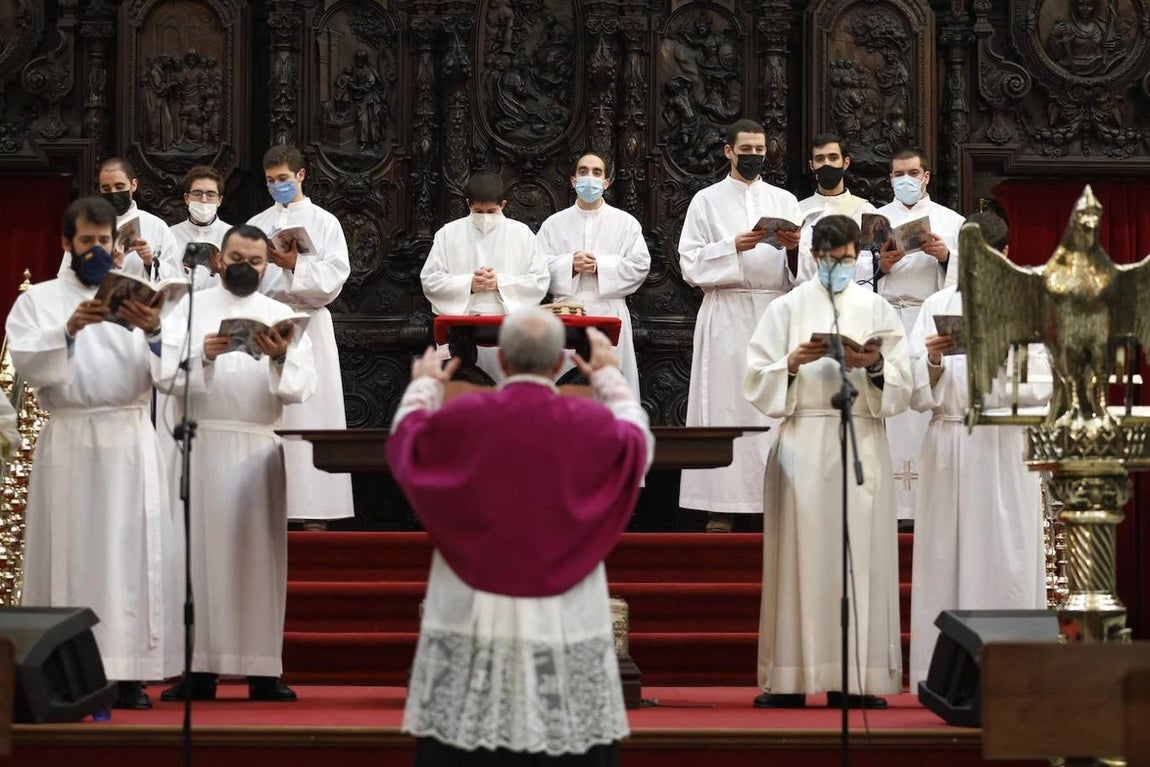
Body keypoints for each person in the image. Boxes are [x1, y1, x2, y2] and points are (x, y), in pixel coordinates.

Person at [388, 309, 652, 766]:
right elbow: (636, 443)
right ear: (559, 363)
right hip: (563, 599)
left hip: (475, 595)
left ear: (503, 359)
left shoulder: (464, 414)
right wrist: (610, 378)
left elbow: (406, 442)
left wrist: (424, 384)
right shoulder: (586, 419)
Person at [5, 197, 182, 709]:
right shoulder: (39, 300)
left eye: (105, 242)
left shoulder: (140, 297)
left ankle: (128, 674)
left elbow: (174, 373)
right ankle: (65, 670)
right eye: (87, 243)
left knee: (129, 555)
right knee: (72, 551)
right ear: (67, 244)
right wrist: (69, 330)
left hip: (128, 437)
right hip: (71, 440)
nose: (98, 251)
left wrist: (153, 331)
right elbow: (28, 362)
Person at [744, 215, 911, 709]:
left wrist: (874, 365)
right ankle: (792, 678)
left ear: (857, 256)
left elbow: (903, 379)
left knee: (860, 555)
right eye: (828, 259)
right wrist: (790, 364)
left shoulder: (876, 306)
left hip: (859, 434)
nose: (837, 267)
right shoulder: (787, 307)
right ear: (814, 255)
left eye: (846, 260)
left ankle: (854, 680)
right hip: (804, 435)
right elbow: (755, 377)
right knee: (799, 555)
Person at [158, 224, 317, 703]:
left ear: (267, 266)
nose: (246, 267)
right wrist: (199, 357)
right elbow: (162, 374)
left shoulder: (280, 313)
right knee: (196, 557)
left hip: (257, 447)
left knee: (258, 559)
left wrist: (279, 358)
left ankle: (262, 670)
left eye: (256, 260)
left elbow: (300, 386)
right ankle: (199, 669)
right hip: (202, 443)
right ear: (219, 259)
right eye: (237, 258)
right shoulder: (190, 308)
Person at [907, 212, 1051, 688]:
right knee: (944, 554)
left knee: (1005, 553)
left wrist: (997, 360)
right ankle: (943, 672)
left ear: (1006, 256)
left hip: (1004, 443)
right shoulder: (935, 305)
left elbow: (1044, 386)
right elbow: (914, 388)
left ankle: (1013, 668)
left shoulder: (1024, 303)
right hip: (950, 441)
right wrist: (931, 358)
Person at [678, 118, 802, 533]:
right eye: (745, 149)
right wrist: (734, 244)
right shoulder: (706, 201)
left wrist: (795, 250)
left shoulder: (784, 199)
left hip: (773, 310)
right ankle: (721, 504)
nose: (753, 156)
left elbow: (804, 270)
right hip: (726, 311)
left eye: (760, 149)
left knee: (773, 407)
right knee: (726, 404)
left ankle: (775, 502)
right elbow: (689, 262)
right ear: (728, 151)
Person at [248, 144, 353, 528]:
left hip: (311, 322)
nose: (278, 186)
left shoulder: (325, 222)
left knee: (314, 414)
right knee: (273, 414)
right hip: (270, 317)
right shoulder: (258, 223)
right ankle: (273, 510)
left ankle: (317, 512)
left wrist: (293, 263)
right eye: (271, 181)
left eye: (283, 180)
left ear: (301, 176)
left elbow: (334, 279)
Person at [872, 147, 966, 522]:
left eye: (912, 173)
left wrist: (946, 257)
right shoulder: (877, 220)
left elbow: (965, 275)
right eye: (897, 174)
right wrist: (879, 266)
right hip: (890, 320)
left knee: (925, 405)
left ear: (926, 176)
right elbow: (859, 275)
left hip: (929, 321)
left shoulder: (952, 221)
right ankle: (891, 507)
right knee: (893, 409)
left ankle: (929, 506)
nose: (905, 180)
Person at [537, 151, 650, 395]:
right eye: (583, 171)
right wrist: (569, 265)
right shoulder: (554, 223)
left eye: (597, 172)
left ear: (606, 183)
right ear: (573, 181)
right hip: (566, 314)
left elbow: (640, 265)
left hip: (610, 313)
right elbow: (536, 268)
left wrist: (601, 266)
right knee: (566, 390)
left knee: (610, 389)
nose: (590, 177)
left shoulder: (626, 223)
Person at [419, 172, 549, 384]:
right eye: (478, 211)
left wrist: (500, 283)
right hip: (462, 333)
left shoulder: (522, 234)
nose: (485, 217)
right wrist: (469, 284)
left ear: (503, 205)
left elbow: (540, 279)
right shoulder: (448, 233)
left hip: (510, 332)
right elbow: (430, 280)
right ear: (468, 203)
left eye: (491, 211)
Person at [796, 134, 877, 286]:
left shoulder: (866, 211)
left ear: (845, 162)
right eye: (820, 159)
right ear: (812, 166)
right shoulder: (798, 210)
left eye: (833, 158)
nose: (827, 164)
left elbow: (870, 262)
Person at [96, 157, 181, 281]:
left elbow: (176, 276)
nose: (113, 193)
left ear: (133, 184)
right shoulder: (88, 226)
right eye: (106, 189)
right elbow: (70, 276)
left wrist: (149, 261)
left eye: (119, 187)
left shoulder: (156, 226)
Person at [169, 165, 230, 290]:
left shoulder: (233, 236)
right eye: (197, 194)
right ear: (187, 198)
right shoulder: (170, 234)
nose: (203, 200)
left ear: (219, 200)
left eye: (210, 194)